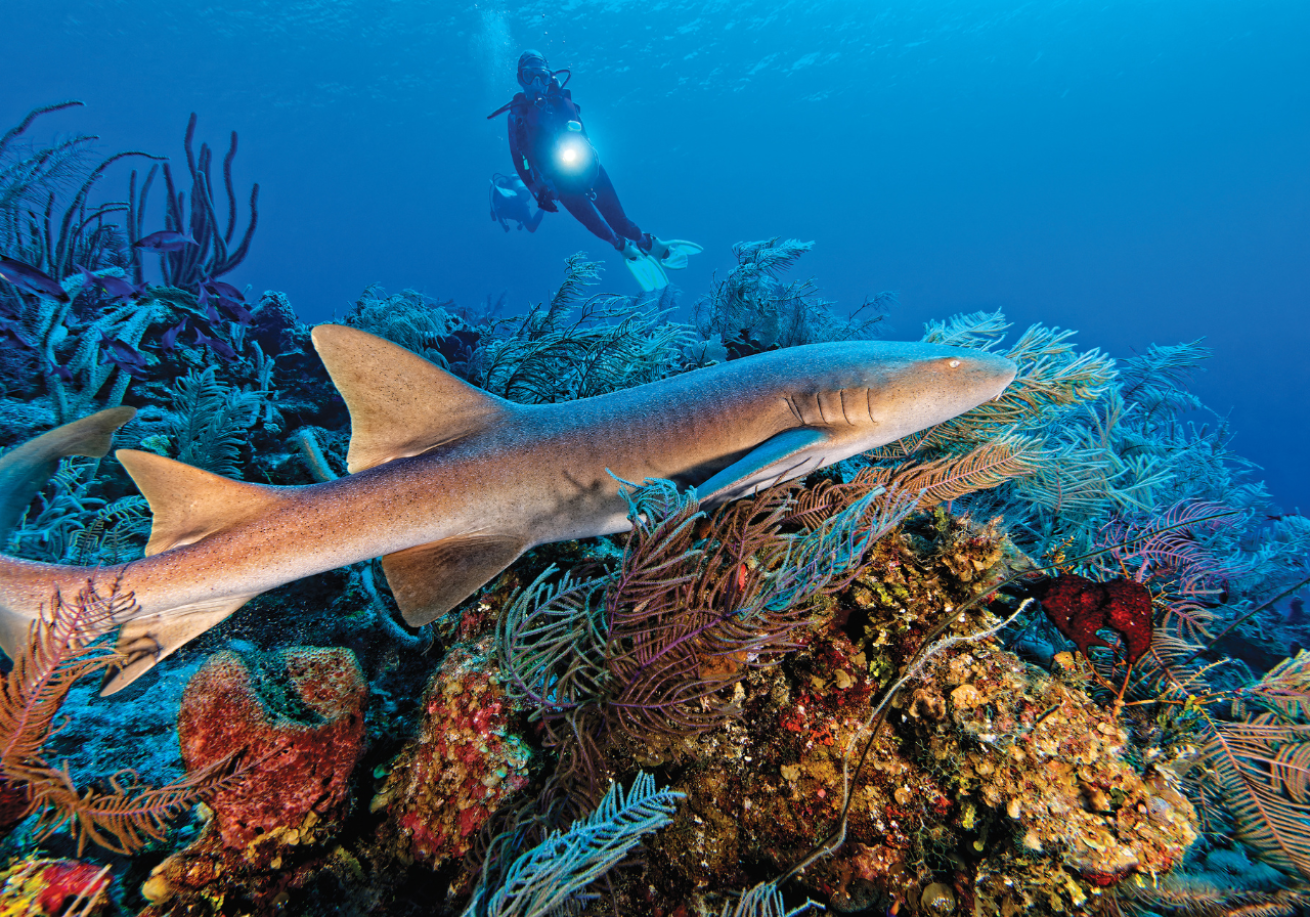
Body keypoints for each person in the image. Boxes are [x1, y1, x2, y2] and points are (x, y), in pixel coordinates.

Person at [487, 50, 700, 291]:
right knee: (596, 226)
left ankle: (648, 242)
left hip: (587, 168)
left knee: (619, 221)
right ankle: (622, 246)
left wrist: (559, 117)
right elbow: (520, 160)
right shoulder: (516, 117)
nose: (537, 83)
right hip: (558, 182)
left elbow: (574, 122)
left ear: (550, 78)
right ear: (520, 79)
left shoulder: (559, 99)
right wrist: (537, 191)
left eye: (542, 77)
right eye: (530, 76)